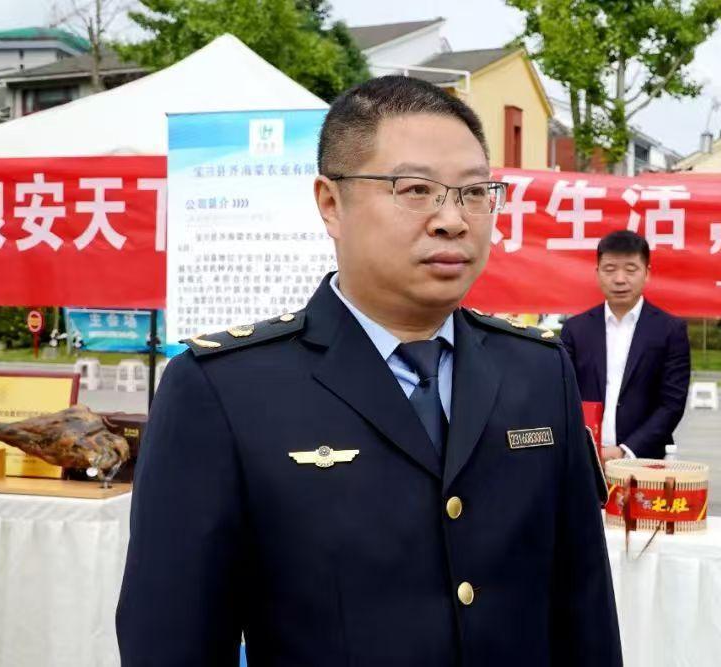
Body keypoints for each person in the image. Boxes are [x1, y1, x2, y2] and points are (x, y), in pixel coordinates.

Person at [117, 76, 622, 666]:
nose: (452, 220)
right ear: (331, 204)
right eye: (416, 189)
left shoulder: (538, 371)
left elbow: (584, 610)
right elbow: (172, 640)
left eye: (473, 192)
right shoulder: (223, 390)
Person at [560, 230, 691, 461]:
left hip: (643, 461)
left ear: (647, 273)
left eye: (631, 270)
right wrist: (584, 448)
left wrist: (626, 450)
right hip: (584, 458)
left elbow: (671, 404)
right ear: (597, 273)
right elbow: (563, 395)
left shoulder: (670, 330)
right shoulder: (575, 329)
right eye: (610, 269)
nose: (620, 279)